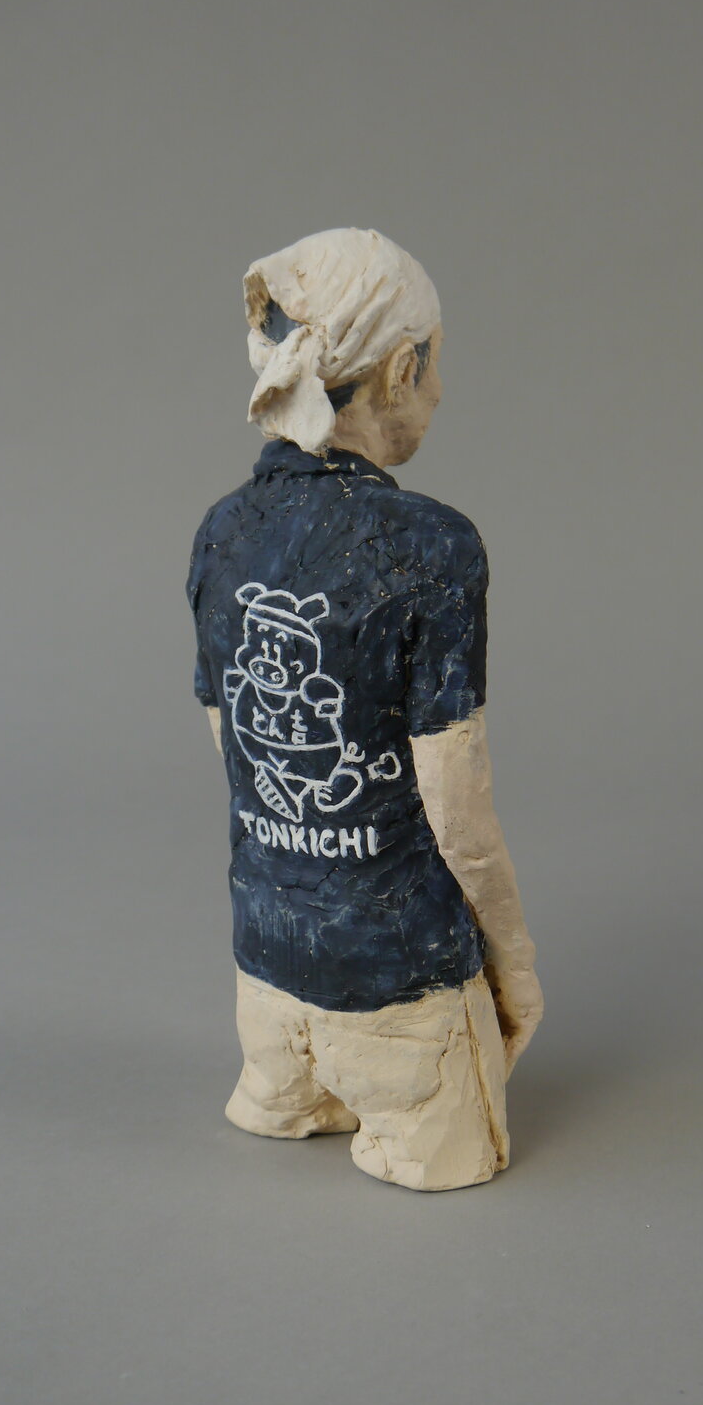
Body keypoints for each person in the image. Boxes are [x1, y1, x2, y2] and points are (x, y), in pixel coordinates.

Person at [187, 228, 543, 1191]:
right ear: (399, 369)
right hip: (402, 1002)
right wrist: (513, 966)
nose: (439, 391)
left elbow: (238, 757)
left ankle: (285, 1090)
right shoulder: (433, 547)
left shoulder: (221, 533)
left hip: (263, 985)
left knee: (278, 1082)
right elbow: (456, 812)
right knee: (451, 1149)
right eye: (433, 366)